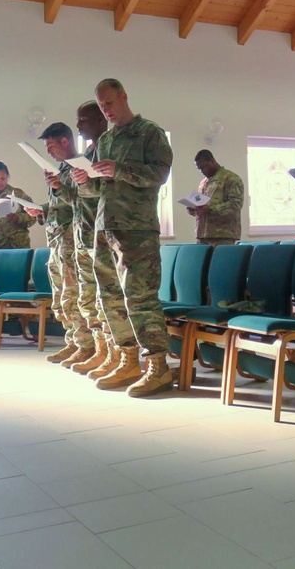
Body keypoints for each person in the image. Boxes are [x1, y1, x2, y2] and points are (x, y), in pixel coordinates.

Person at [72, 79, 174, 398]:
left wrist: (120, 170)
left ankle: (158, 366)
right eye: (102, 106)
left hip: (137, 229)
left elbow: (160, 173)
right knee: (110, 297)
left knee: (140, 298)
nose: (107, 110)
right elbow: (98, 189)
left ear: (124, 97)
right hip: (106, 227)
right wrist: (84, 180)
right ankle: (128, 359)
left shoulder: (149, 132)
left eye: (110, 103)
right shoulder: (105, 139)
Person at [24, 123, 92, 368]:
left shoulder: (82, 167)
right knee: (62, 296)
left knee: (75, 296)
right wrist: (40, 210)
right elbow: (60, 206)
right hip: (57, 241)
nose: (49, 152)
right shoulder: (60, 169)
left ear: (65, 141)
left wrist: (58, 187)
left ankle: (86, 345)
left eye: (51, 146)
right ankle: (73, 341)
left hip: (74, 242)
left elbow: (83, 204)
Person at [190, 149, 245, 245]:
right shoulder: (203, 183)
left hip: (222, 235)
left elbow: (235, 204)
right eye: (199, 169)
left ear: (212, 161)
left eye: (203, 167)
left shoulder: (231, 178)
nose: (201, 171)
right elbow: (202, 206)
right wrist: (194, 210)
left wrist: (211, 209)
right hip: (202, 235)